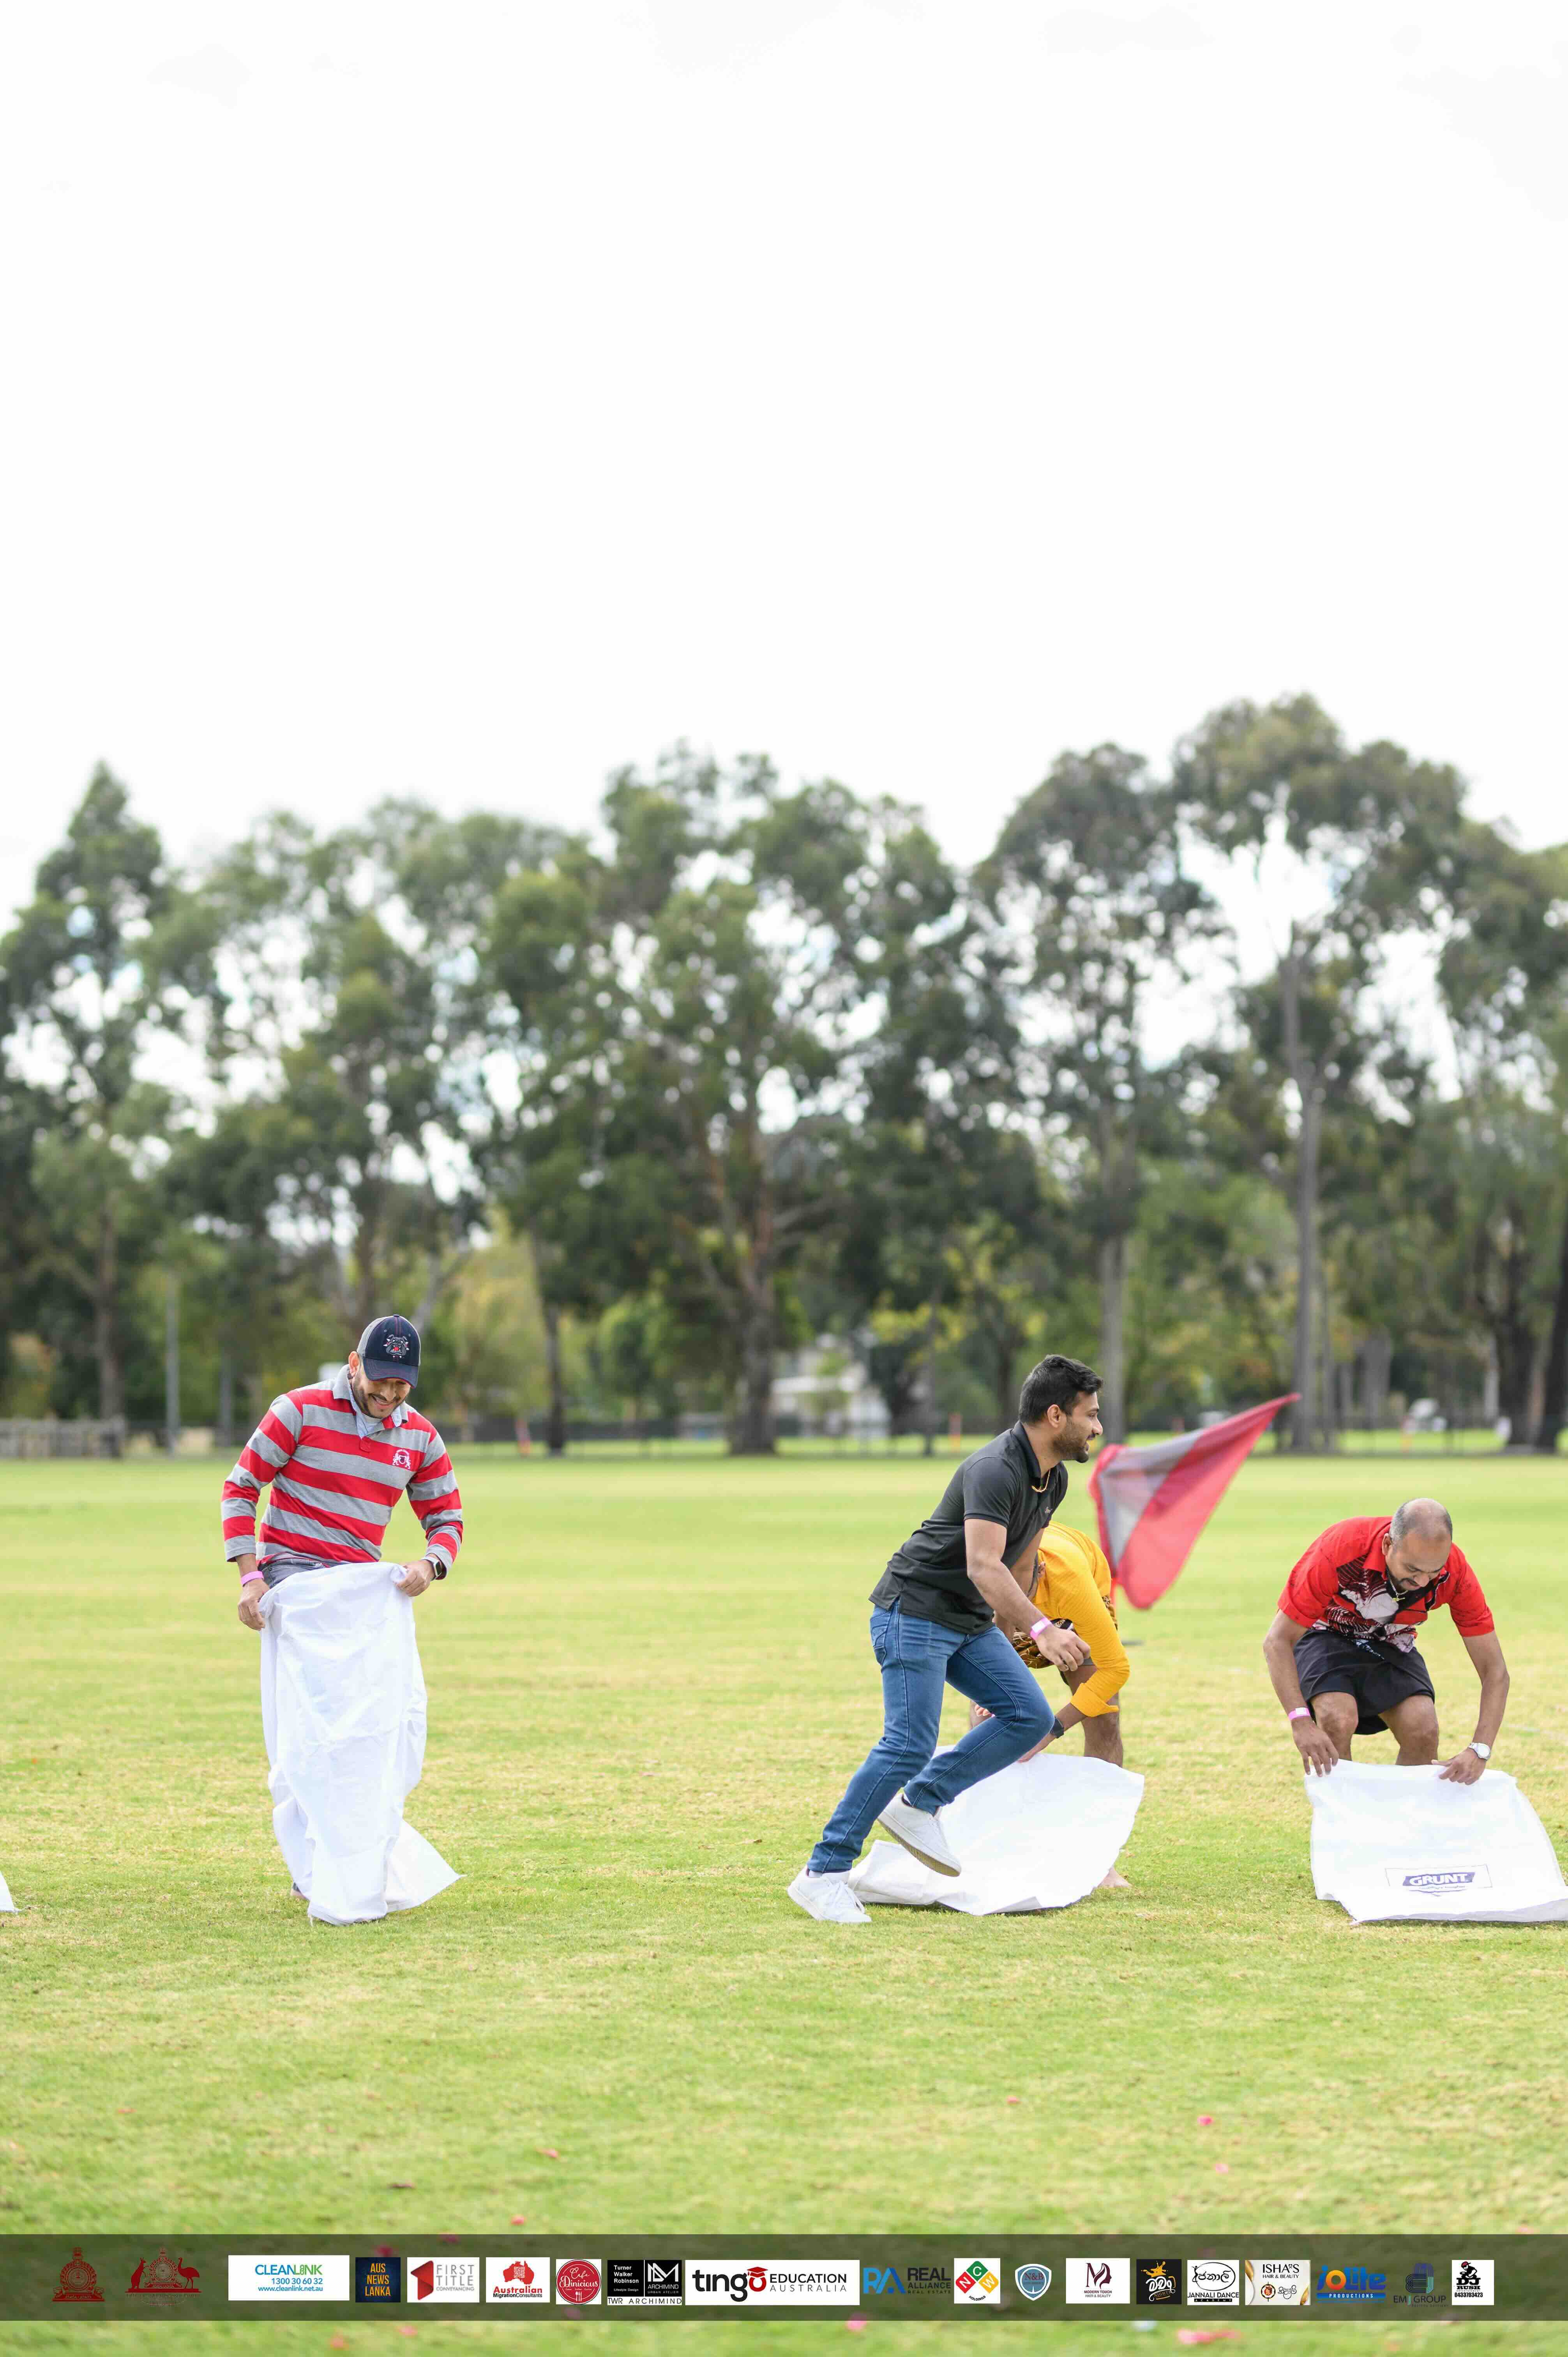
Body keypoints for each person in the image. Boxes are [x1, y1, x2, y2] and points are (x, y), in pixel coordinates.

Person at [787, 1355, 1102, 1924]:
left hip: (969, 1624)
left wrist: (1009, 1651)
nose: (1097, 1429)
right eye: (1090, 1415)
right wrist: (1042, 1630)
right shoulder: (995, 1469)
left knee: (1028, 1716)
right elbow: (984, 1566)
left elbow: (1022, 1564)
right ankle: (822, 1873)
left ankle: (920, 1803)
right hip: (913, 1611)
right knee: (907, 1742)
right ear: (1056, 1416)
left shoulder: (1052, 1478)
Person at [222, 1315, 464, 1921]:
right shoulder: (297, 1412)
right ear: (353, 1363)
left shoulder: (421, 1438)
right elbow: (241, 1488)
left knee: (365, 1731)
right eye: (379, 1382)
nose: (387, 1398)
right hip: (294, 1583)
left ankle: (347, 1857)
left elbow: (448, 1519)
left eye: (400, 1388)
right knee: (316, 1732)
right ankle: (317, 1866)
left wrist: (429, 1567)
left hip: (361, 1591)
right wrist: (250, 1577)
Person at [1262, 1498, 1508, 1782]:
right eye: (1413, 1570)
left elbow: (1495, 1671)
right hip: (1326, 1631)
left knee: (1423, 1727)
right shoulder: (1342, 1548)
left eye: (1433, 1572)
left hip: (1390, 1640)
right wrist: (1300, 1721)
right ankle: (1344, 1820)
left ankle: (1406, 1821)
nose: (1422, 1583)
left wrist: (1480, 1750)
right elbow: (1277, 1641)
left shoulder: (1456, 1572)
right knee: (1338, 1717)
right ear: (1388, 1545)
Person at [967, 1520, 1132, 1887]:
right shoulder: (978, 1574)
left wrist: (1052, 1730)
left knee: (1104, 1709)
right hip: (1002, 1607)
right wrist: (992, 1692)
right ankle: (990, 1842)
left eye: (1020, 1580)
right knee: (984, 1713)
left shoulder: (1070, 1581)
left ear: (1038, 1569)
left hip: (1068, 1606)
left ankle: (1099, 1857)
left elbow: (1115, 1669)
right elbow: (995, 1630)